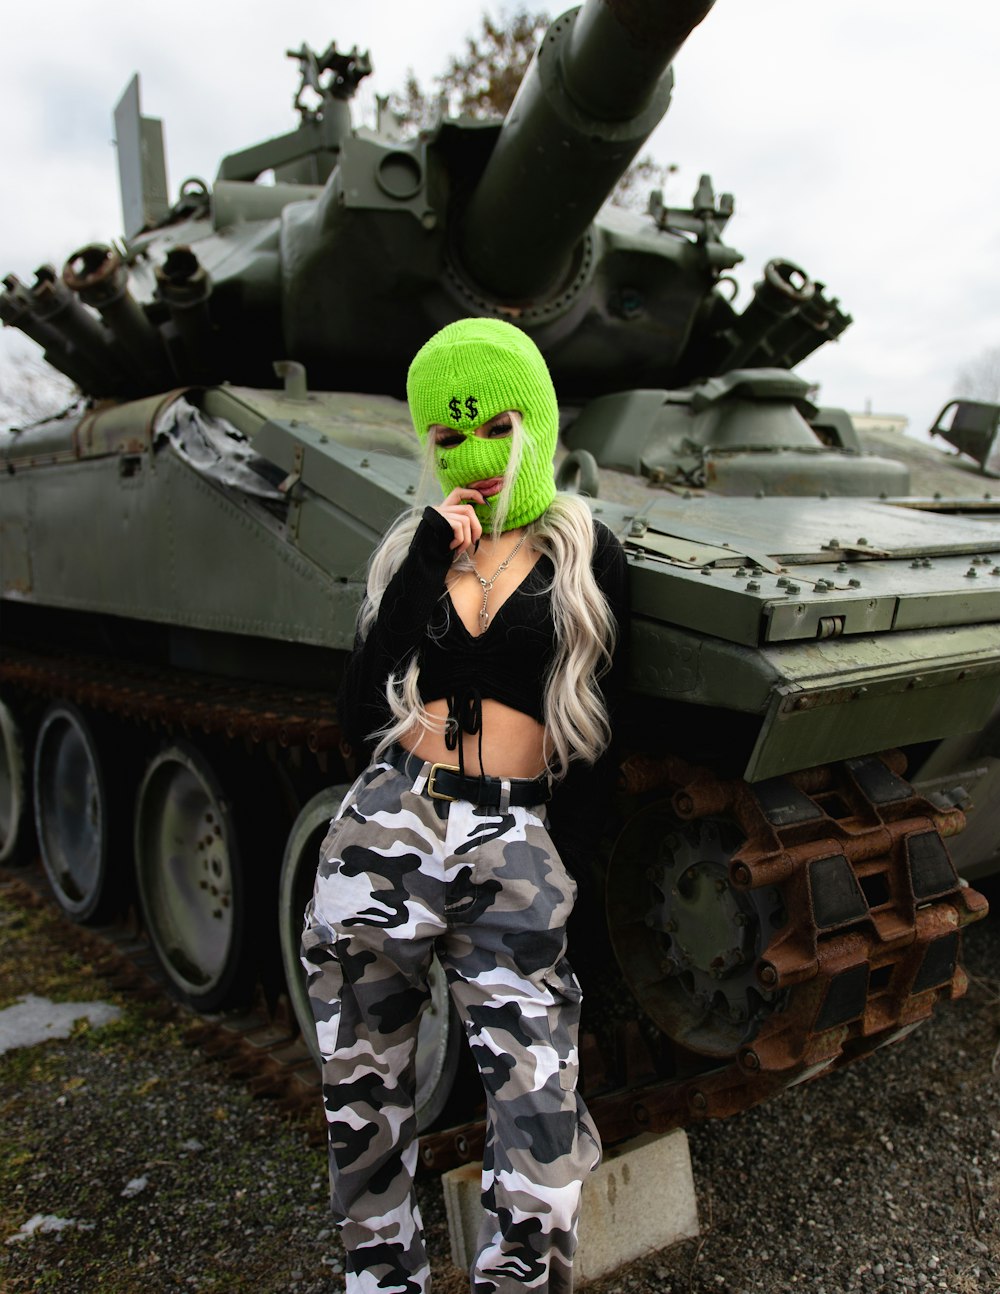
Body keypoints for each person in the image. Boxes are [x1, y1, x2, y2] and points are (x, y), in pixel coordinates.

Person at [301, 317, 628, 1294]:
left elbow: (607, 737)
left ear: (531, 419)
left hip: (511, 838)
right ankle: (377, 1282)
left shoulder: (583, 552)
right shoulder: (415, 547)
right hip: (384, 829)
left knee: (540, 1135)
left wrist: (570, 875)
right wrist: (424, 560)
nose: (468, 457)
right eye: (445, 440)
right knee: (364, 1099)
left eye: (488, 427)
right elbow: (355, 711)